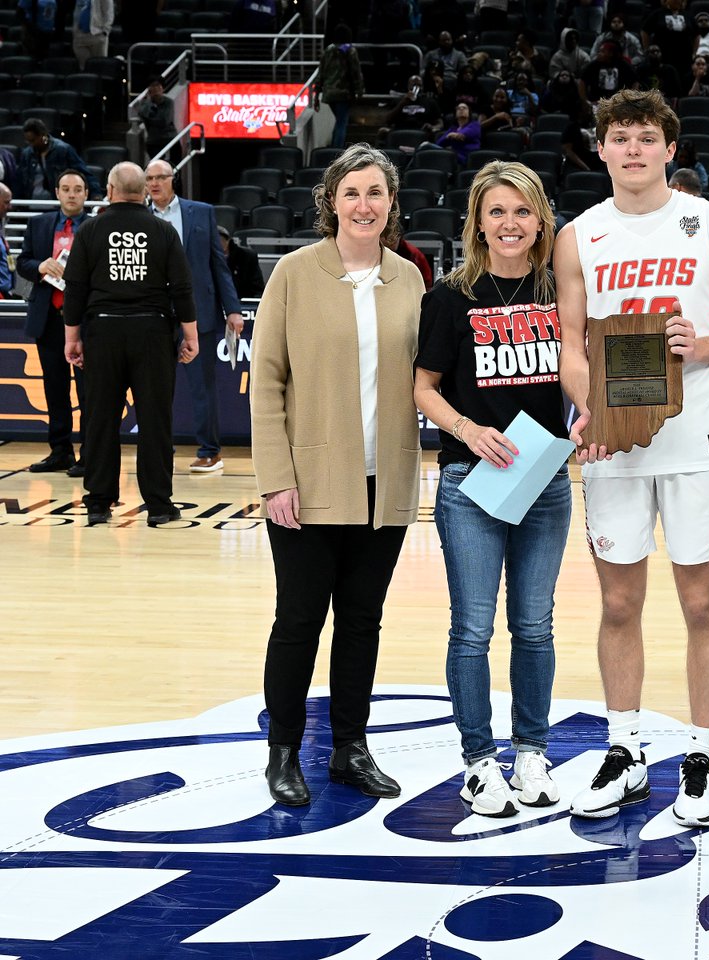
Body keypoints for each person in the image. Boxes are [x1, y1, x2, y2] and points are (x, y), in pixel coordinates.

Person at [555, 88, 709, 828]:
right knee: (617, 603)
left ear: (670, 149)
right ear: (600, 148)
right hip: (613, 445)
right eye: (620, 137)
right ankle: (625, 749)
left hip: (695, 438)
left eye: (647, 137)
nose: (633, 149)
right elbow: (571, 346)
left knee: (702, 603)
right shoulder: (579, 235)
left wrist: (697, 347)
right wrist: (593, 410)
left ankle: (702, 756)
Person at [250, 144, 424, 807]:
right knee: (298, 620)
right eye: (351, 192)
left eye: (376, 192)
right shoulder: (294, 274)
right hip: (310, 484)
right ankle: (284, 751)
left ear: (391, 203)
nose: (364, 204)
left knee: (362, 621)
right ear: (330, 201)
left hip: (385, 484)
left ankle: (351, 747)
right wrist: (276, 479)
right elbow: (265, 383)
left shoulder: (408, 277)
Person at [413, 161, 569, 818]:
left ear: (541, 220)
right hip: (469, 479)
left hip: (546, 478)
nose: (510, 223)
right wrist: (467, 429)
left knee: (534, 627)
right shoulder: (449, 297)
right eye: (497, 211)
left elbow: (586, 371)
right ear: (478, 220)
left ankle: (531, 752)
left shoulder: (563, 290)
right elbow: (421, 387)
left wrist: (591, 417)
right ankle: (479, 763)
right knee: (472, 629)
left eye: (522, 211)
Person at [60, 163, 197, 527]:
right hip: (152, 333)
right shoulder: (163, 231)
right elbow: (181, 288)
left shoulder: (90, 230)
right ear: (143, 191)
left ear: (110, 189)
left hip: (102, 333)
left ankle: (98, 504)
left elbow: (75, 288)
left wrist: (72, 338)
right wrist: (191, 334)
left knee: (100, 419)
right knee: (155, 420)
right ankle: (159, 506)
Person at [146, 159, 244, 473]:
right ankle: (160, 447)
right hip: (155, 314)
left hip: (197, 311)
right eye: (149, 179)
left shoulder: (201, 212)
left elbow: (218, 265)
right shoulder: (139, 217)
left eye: (160, 177)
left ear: (173, 179)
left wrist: (233, 309)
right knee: (155, 387)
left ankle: (210, 451)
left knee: (202, 387)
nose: (155, 183)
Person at [16, 169, 92, 476]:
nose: (71, 194)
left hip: (85, 322)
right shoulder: (39, 224)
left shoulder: (96, 226)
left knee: (89, 392)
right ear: (57, 193)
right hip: (48, 319)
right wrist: (40, 266)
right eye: (66, 188)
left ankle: (89, 454)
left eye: (77, 189)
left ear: (87, 194)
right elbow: (22, 263)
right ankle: (60, 451)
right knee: (54, 389)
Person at [18, 119, 101, 201]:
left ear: (42, 135)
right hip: (31, 203)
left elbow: (83, 173)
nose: (30, 144)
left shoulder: (64, 150)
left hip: (56, 203)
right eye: (28, 141)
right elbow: (19, 180)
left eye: (33, 140)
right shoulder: (27, 154)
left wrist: (96, 194)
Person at [314, 24, 365, 150]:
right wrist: (359, 90)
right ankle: (337, 151)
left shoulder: (328, 49)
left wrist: (316, 93)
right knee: (342, 123)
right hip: (344, 92)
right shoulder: (350, 50)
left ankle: (334, 148)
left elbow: (321, 72)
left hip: (329, 92)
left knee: (339, 122)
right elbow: (355, 72)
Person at [217, 225, 264, 301]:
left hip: (242, 301)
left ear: (228, 241)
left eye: (221, 241)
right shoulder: (203, 258)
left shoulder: (246, 256)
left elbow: (257, 289)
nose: (218, 244)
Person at [137, 76, 177, 161]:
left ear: (163, 88)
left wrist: (151, 119)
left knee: (175, 162)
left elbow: (165, 121)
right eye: (153, 86)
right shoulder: (145, 103)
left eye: (158, 85)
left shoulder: (169, 102)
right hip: (154, 139)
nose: (156, 88)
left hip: (170, 137)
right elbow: (143, 114)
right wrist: (149, 102)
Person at [72, 0, 114, 67]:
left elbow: (109, 14)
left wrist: (104, 33)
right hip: (80, 36)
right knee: (84, 67)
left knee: (99, 67)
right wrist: (75, 30)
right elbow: (77, 13)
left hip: (97, 35)